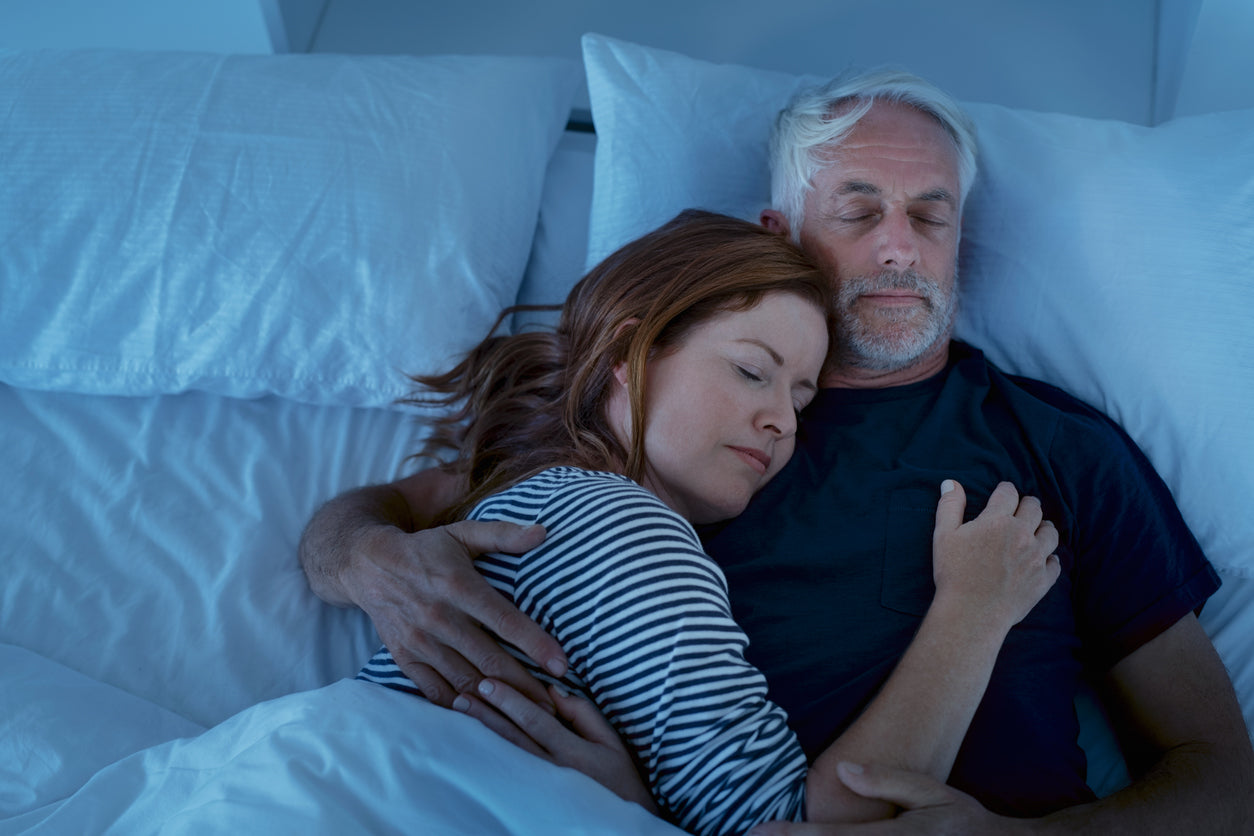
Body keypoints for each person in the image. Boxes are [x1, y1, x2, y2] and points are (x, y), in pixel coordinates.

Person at [299, 71, 1254, 832]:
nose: (897, 248)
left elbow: (1224, 780)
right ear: (779, 230)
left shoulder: (1058, 449)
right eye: (857, 207)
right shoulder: (652, 429)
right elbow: (376, 516)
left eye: (931, 215)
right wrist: (380, 568)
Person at [340, 209, 1061, 833]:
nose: (781, 419)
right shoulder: (622, 527)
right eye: (752, 371)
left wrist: (635, 810)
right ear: (631, 355)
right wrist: (974, 610)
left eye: (802, 400)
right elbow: (790, 828)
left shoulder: (539, 494)